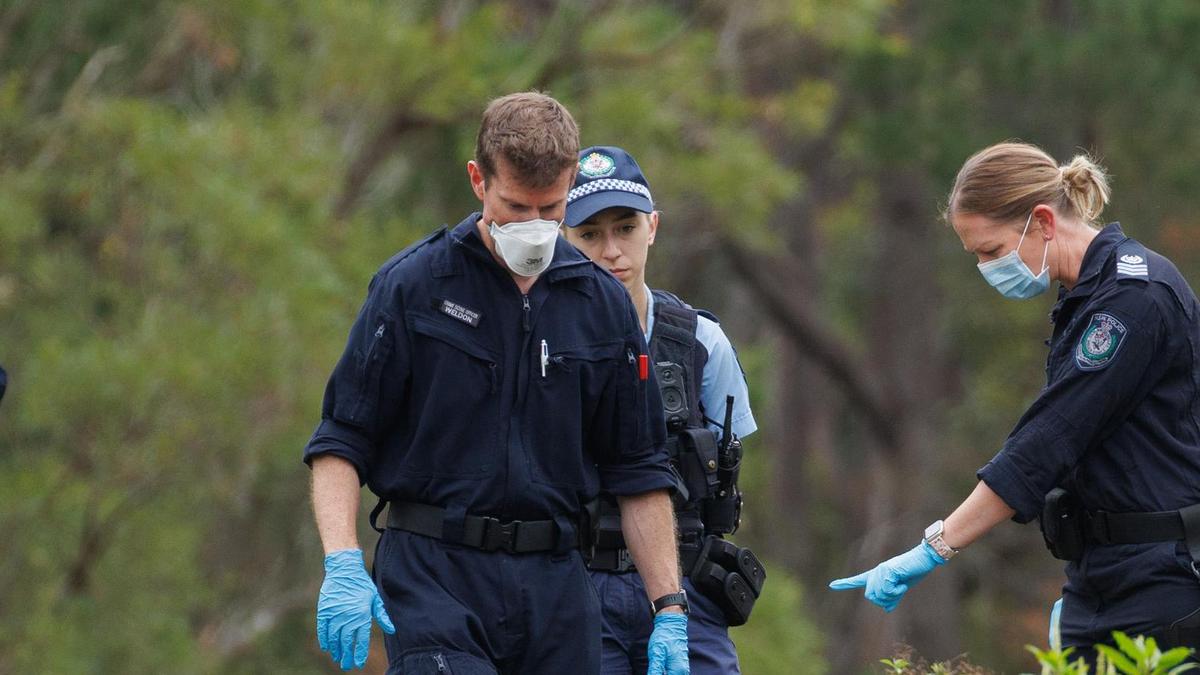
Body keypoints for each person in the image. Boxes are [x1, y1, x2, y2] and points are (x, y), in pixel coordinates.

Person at [304, 94, 690, 674]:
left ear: (570, 184)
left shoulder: (602, 307)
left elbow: (639, 468)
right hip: (435, 575)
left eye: (550, 208)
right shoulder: (414, 286)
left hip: (557, 588)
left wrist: (669, 609)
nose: (533, 226)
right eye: (515, 206)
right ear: (478, 180)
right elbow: (342, 437)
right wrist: (342, 561)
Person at [830, 141, 1200, 655]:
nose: (987, 268)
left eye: (992, 251)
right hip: (1100, 575)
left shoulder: (1133, 298)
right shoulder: (1086, 295)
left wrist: (935, 546)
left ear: (1043, 221)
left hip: (1160, 580)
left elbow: (1049, 440)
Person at [562, 146, 762, 674]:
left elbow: (725, 466)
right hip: (578, 586)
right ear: (563, 238)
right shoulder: (544, 344)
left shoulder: (701, 341)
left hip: (686, 586)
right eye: (589, 235)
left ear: (652, 227)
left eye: (625, 228)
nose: (611, 251)